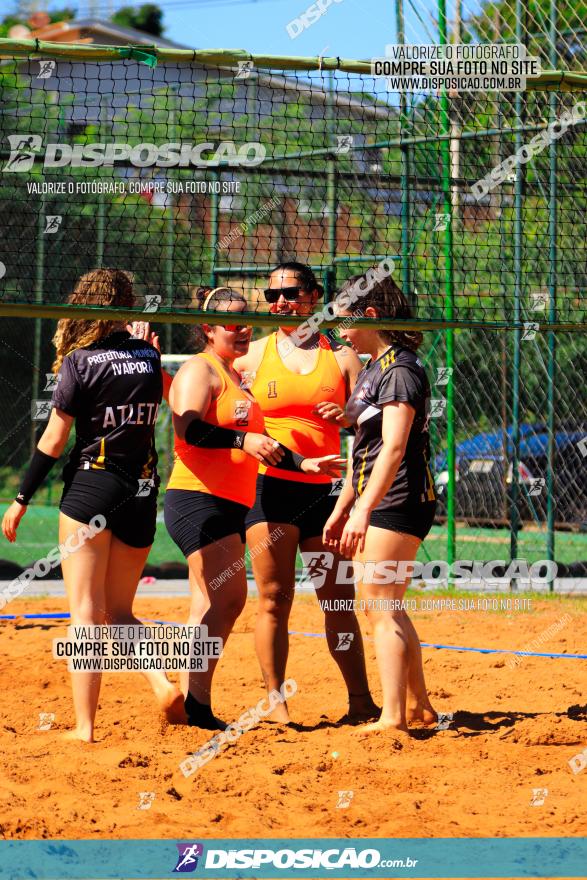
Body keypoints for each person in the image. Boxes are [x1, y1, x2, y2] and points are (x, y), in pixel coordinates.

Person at [1, 268, 185, 742]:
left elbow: (54, 439)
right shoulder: (148, 355)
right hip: (142, 492)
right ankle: (162, 683)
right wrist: (149, 355)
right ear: (125, 304)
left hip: (93, 487)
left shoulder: (79, 362)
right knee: (120, 611)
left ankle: (84, 729)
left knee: (85, 612)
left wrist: (21, 497)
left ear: (84, 303)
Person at [163, 286, 343, 730]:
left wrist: (305, 462)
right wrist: (242, 439)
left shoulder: (235, 376)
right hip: (195, 496)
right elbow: (188, 430)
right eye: (231, 324)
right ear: (208, 330)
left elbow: (265, 444)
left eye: (246, 321)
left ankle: (192, 701)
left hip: (230, 501)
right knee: (227, 597)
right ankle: (192, 701)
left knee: (211, 600)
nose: (241, 330)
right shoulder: (199, 371)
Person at [234, 263, 378, 725]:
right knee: (274, 598)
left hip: (327, 495)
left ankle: (360, 701)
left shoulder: (342, 358)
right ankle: (276, 704)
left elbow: (371, 425)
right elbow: (220, 410)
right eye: (272, 295)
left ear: (314, 296)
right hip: (271, 490)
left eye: (291, 293)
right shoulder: (251, 356)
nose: (280, 303)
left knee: (337, 602)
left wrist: (348, 417)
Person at [323, 270, 438, 734]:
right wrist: (341, 507)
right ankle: (420, 706)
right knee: (387, 602)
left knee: (379, 604)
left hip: (399, 498)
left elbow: (392, 447)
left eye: (344, 320)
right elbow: (364, 452)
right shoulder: (375, 368)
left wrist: (363, 509)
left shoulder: (401, 369)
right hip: (382, 495)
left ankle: (392, 715)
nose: (339, 331)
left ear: (371, 315)